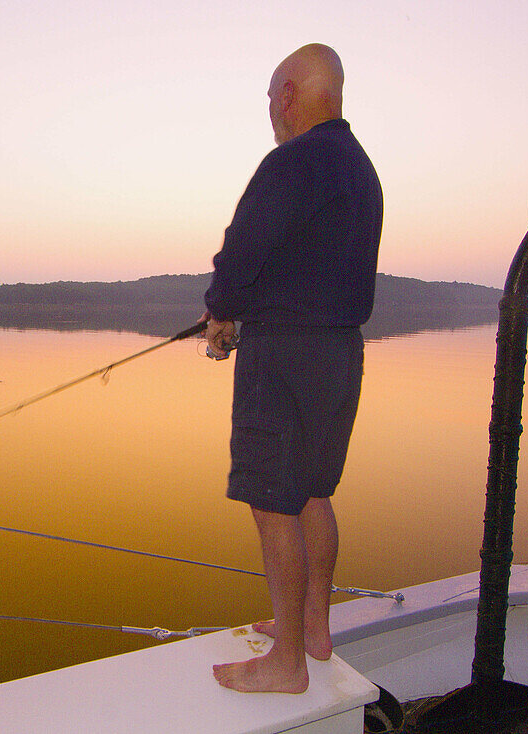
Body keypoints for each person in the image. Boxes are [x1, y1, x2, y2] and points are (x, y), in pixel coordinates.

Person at [202, 43, 382, 694]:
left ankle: (286, 667)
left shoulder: (293, 161)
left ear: (286, 95)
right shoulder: (360, 169)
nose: (270, 116)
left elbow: (243, 250)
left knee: (273, 502)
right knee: (311, 492)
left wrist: (220, 313)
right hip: (340, 354)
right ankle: (312, 629)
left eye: (270, 101)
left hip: (283, 356)